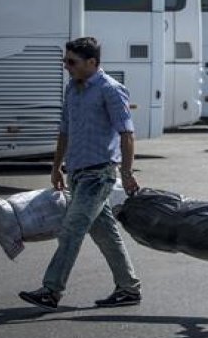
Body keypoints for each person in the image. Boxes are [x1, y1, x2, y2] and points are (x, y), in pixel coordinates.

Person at [18, 37, 143, 311]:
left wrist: (127, 171)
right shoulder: (72, 89)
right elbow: (64, 130)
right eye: (65, 61)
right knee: (106, 234)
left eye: (71, 62)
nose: (66, 66)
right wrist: (56, 166)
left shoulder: (110, 90)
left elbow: (127, 134)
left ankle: (51, 290)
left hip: (99, 176)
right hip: (76, 174)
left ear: (92, 63)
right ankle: (128, 288)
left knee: (71, 230)